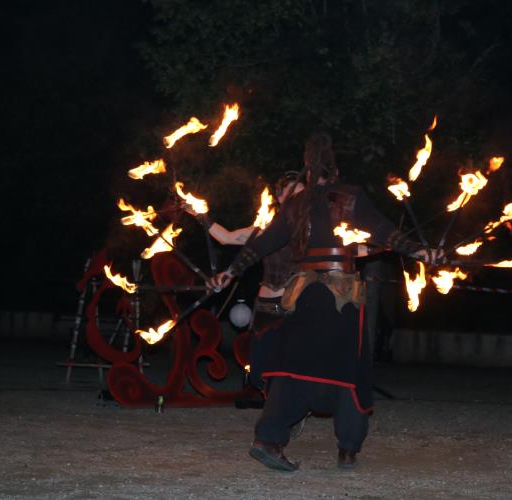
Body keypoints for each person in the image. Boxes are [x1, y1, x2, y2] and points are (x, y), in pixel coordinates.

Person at [209, 132, 442, 472]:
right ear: (333, 171)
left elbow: (261, 244)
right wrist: (423, 252)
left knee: (294, 366)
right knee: (348, 368)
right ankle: (348, 448)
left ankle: (268, 438)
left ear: (306, 171)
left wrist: (230, 272)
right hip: (340, 296)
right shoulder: (348, 196)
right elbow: (384, 232)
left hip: (303, 295)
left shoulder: (295, 205)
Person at [184, 172, 304, 390]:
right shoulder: (267, 229)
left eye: (302, 194)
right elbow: (227, 237)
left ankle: (284, 411)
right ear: (280, 198)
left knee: (293, 365)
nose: (298, 199)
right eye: (293, 193)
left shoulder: (311, 230)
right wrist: (199, 215)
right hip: (268, 307)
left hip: (296, 306)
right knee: (259, 371)